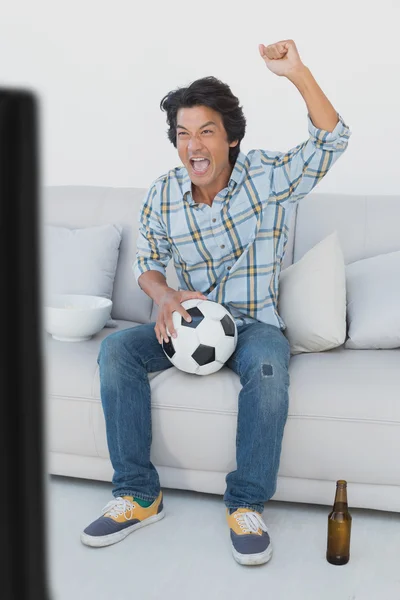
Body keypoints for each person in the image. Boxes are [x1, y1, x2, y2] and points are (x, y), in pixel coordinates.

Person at [81, 40, 351, 566]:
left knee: (271, 364)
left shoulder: (266, 179)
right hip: (190, 323)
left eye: (206, 131)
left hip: (253, 325)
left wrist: (297, 73)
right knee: (117, 352)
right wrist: (163, 295)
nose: (193, 146)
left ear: (230, 138)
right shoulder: (162, 193)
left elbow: (331, 141)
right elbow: (148, 261)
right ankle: (138, 495)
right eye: (183, 134)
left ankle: (246, 503)